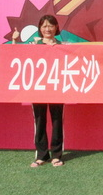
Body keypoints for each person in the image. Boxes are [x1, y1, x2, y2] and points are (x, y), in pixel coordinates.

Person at [12, 15, 65, 167]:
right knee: (40, 120)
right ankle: (41, 155)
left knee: (57, 121)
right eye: (44, 26)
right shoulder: (33, 44)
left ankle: (56, 155)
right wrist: (14, 40)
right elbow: (15, 55)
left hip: (56, 87)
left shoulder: (63, 45)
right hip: (38, 88)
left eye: (50, 26)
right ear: (40, 29)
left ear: (56, 27)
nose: (47, 29)